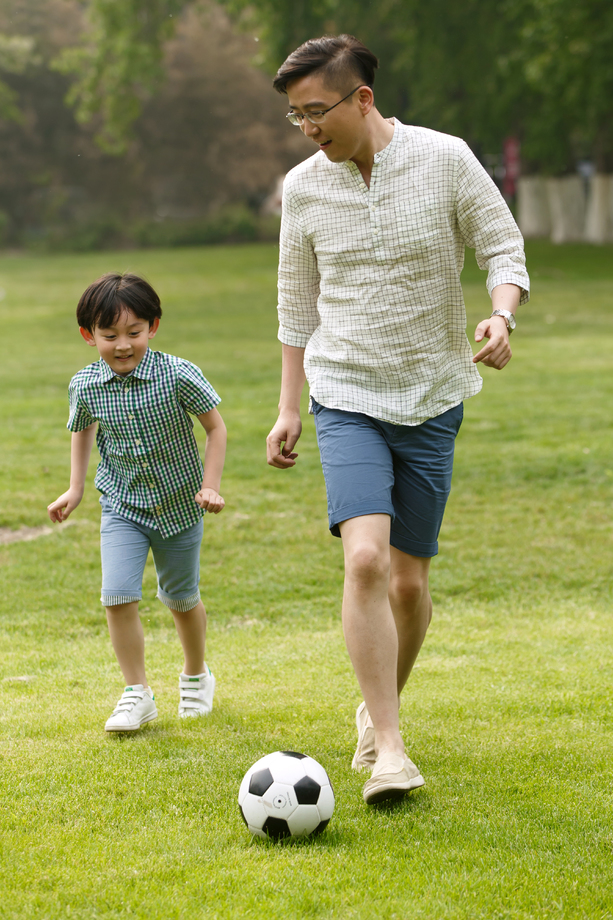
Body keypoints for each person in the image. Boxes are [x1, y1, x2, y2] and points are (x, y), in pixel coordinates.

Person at [266, 35, 529, 804]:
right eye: (295, 116)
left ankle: (375, 707)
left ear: (362, 99)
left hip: (431, 396)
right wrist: (288, 406)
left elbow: (502, 247)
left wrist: (501, 315)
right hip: (344, 394)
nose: (307, 128)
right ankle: (389, 748)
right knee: (365, 562)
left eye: (317, 110)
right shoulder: (303, 188)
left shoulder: (444, 158)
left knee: (409, 586)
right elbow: (295, 304)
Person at [47, 272, 226, 732]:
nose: (123, 345)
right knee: (117, 596)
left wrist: (210, 485)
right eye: (110, 336)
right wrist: (75, 488)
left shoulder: (178, 374)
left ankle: (196, 676)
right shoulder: (86, 385)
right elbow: (82, 428)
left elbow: (215, 428)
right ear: (89, 335)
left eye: (134, 332)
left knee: (181, 599)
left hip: (180, 507)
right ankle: (137, 692)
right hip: (122, 505)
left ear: (153, 327)